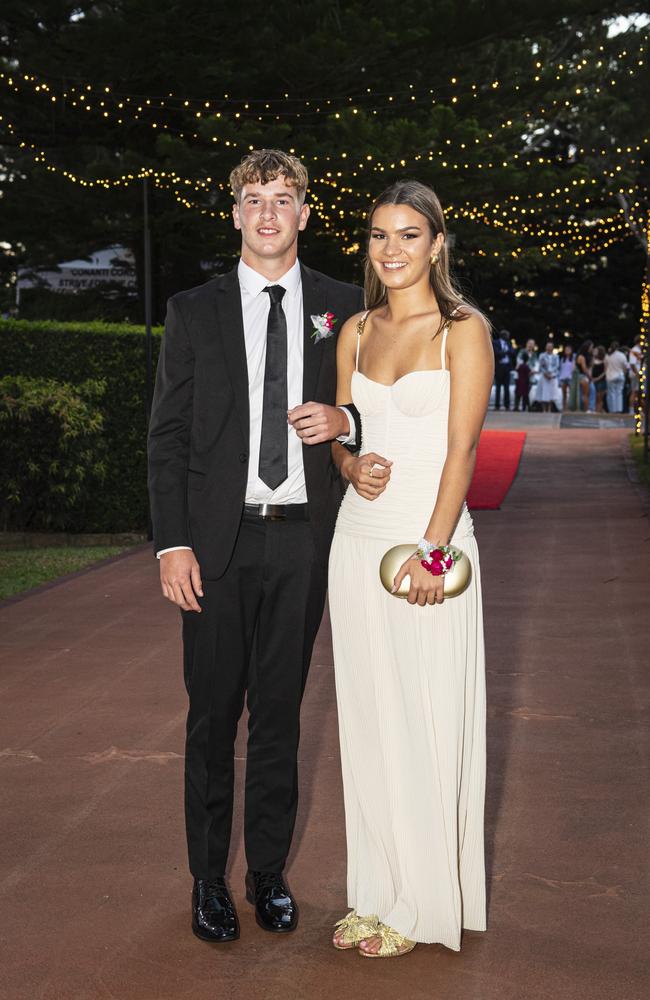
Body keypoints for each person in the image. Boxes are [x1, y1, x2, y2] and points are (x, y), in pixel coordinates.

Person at [147, 149, 364, 944]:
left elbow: (376, 403)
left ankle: (267, 873)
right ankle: (208, 878)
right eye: (253, 199)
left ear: (306, 214)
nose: (268, 213)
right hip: (216, 544)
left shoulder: (346, 305)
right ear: (235, 214)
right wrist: (172, 543)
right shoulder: (193, 309)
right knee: (212, 717)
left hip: (305, 541)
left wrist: (347, 421)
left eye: (283, 199)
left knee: (280, 716)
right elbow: (166, 438)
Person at [328, 180, 493, 957]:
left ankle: (423, 905)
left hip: (429, 542)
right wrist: (348, 463)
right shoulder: (355, 331)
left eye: (407, 236)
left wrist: (434, 552)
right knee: (366, 722)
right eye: (378, 236)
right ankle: (375, 891)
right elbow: (341, 432)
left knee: (423, 718)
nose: (390, 251)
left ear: (436, 244)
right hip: (357, 540)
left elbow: (461, 453)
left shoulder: (463, 330)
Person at [604, 340, 629, 414]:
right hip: (620, 375)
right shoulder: (622, 355)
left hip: (610, 376)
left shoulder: (608, 355)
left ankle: (612, 410)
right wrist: (623, 374)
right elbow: (626, 367)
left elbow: (605, 367)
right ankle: (619, 409)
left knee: (611, 393)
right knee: (619, 393)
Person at [492, 328, 513, 409]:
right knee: (498, 387)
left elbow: (512, 352)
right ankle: (497, 405)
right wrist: (506, 352)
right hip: (499, 367)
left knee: (506, 387)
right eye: (507, 336)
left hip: (507, 367)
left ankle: (507, 405)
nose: (508, 337)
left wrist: (505, 352)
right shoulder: (495, 342)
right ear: (503, 335)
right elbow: (497, 353)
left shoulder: (508, 343)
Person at [537, 341, 560, 412]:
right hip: (544, 376)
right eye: (548, 346)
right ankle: (544, 409)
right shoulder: (542, 355)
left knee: (551, 394)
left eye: (550, 346)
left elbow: (557, 366)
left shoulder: (556, 356)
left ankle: (549, 409)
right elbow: (540, 366)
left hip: (552, 377)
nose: (549, 348)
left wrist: (552, 374)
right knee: (544, 393)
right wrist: (545, 373)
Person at [572, 339, 593, 412]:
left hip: (579, 376)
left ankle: (580, 409)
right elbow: (584, 369)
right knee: (585, 394)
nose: (592, 349)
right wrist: (590, 377)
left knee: (580, 394)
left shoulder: (578, 356)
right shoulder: (582, 357)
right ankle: (587, 409)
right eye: (591, 347)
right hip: (583, 377)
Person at [628, 335, 643, 414]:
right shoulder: (634, 350)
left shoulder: (638, 350)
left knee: (638, 392)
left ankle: (637, 410)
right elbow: (632, 364)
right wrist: (638, 374)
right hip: (635, 374)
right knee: (634, 392)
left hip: (637, 374)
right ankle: (631, 411)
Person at [590, 346, 607, 413]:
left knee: (600, 397)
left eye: (596, 351)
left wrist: (597, 378)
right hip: (593, 380)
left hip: (601, 380)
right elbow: (591, 368)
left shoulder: (604, 360)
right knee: (595, 396)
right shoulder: (593, 359)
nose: (594, 352)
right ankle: (596, 410)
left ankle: (598, 411)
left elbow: (605, 371)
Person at [558, 345, 575, 410]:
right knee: (564, 394)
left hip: (570, 378)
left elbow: (573, 369)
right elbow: (561, 369)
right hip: (563, 378)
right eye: (566, 350)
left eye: (568, 350)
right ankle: (564, 408)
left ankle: (570, 408)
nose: (567, 351)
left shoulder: (573, 359)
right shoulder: (562, 359)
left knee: (571, 394)